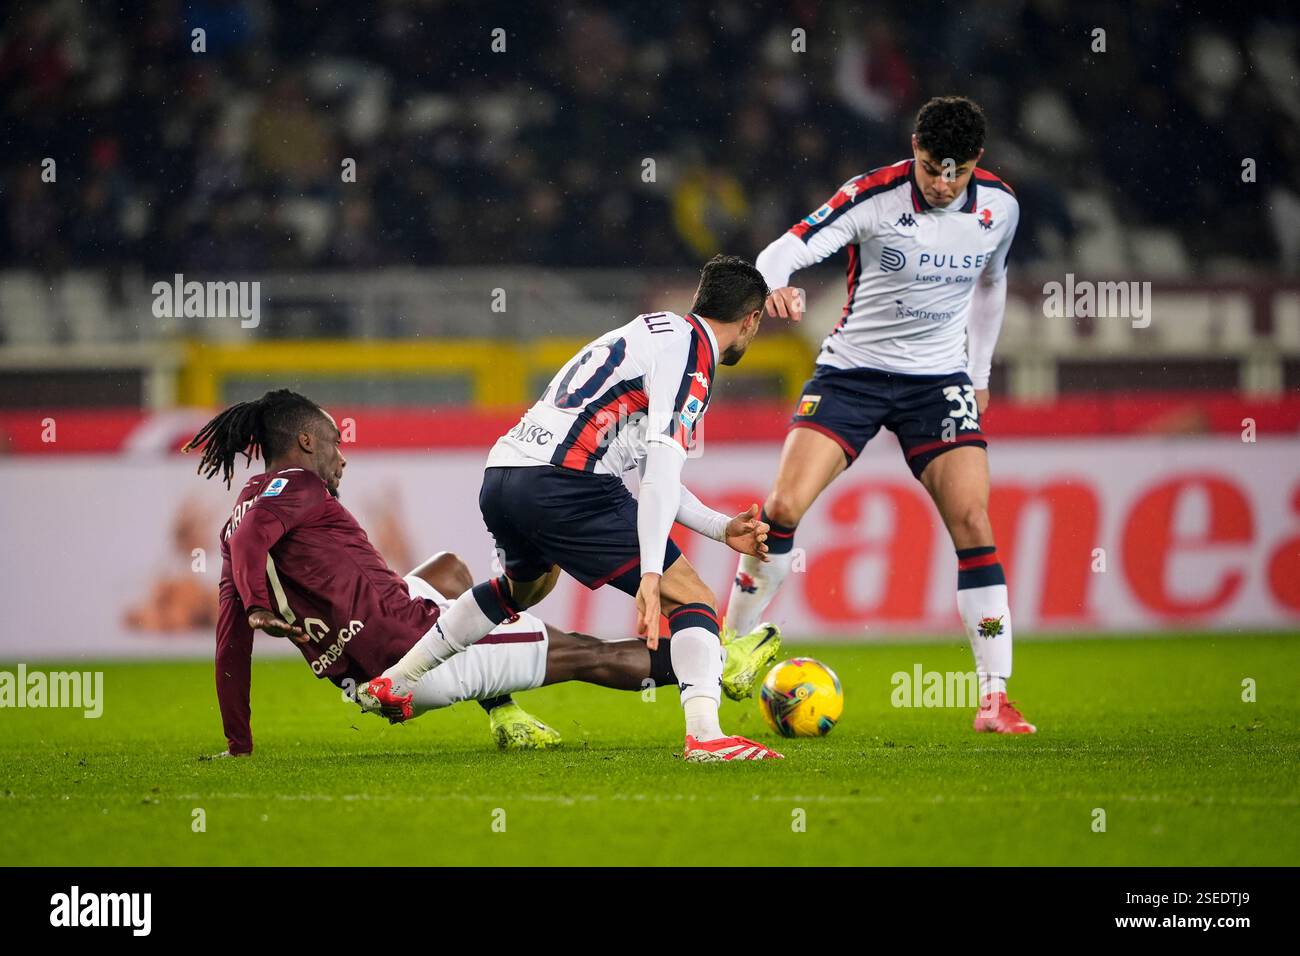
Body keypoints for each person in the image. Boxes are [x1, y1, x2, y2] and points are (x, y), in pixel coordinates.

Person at [183, 389, 781, 756]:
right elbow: (258, 541)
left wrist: (239, 742)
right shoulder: (296, 488)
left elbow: (229, 644)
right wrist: (259, 603)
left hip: (360, 681)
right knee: (585, 652)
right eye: (335, 442)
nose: (343, 455)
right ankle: (719, 663)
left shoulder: (236, 522)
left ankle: (504, 712)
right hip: (418, 658)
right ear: (306, 442)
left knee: (447, 569)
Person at [365, 255, 788, 761]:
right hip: (566, 481)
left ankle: (396, 679)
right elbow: (658, 476)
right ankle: (705, 735)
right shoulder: (693, 360)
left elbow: (649, 474)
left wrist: (719, 528)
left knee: (524, 589)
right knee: (691, 597)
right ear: (752, 320)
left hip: (504, 474)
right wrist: (652, 575)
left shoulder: (653, 331)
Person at [725, 96, 1035, 734]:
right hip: (853, 375)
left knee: (973, 519)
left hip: (938, 382)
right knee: (782, 507)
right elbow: (783, 249)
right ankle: (731, 646)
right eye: (931, 167)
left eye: (956, 172)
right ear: (914, 149)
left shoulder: (1000, 208)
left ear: (976, 161)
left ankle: (994, 698)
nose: (943, 184)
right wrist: (776, 285)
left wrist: (978, 376)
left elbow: (991, 284)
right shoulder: (872, 196)